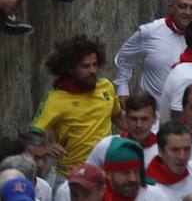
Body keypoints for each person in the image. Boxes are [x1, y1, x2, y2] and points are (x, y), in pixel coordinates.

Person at [31, 36, 122, 179]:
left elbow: (118, 117)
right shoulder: (55, 99)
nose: (92, 70)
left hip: (103, 177)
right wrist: (43, 149)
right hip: (69, 179)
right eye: (86, 66)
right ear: (70, 68)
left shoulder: (106, 87)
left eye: (95, 65)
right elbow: (32, 138)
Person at [114, 0, 192, 104]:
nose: (188, 12)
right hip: (154, 117)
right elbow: (124, 59)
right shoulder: (150, 32)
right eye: (182, 6)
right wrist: (122, 90)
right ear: (171, 7)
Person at [143, 123, 192, 199]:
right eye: (175, 150)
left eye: (187, 149)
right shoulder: (147, 188)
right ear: (160, 151)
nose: (182, 157)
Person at [87, 92, 158, 168]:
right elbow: (85, 177)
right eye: (133, 119)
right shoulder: (106, 146)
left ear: (155, 118)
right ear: (125, 118)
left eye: (144, 119)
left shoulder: (166, 150)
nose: (138, 125)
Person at [100, 137, 173, 201]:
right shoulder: (97, 197)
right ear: (109, 174)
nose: (133, 179)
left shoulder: (154, 196)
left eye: (136, 171)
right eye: (126, 172)